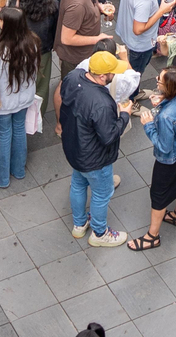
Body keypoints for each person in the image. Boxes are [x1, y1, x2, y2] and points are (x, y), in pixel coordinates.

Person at [61, 48, 134, 248]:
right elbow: (109, 135)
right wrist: (124, 115)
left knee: (77, 183)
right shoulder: (101, 102)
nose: (115, 75)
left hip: (74, 148)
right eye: (112, 72)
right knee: (102, 194)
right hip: (95, 158)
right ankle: (100, 233)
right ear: (102, 76)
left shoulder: (73, 77)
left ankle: (79, 224)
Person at [128, 66, 176, 252]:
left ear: (169, 88)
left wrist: (149, 125)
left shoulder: (167, 117)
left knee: (158, 195)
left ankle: (152, 236)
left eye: (160, 80)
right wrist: (163, 101)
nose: (156, 79)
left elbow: (164, 146)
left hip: (170, 158)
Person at [0, 4, 41, 188]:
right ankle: (18, 169)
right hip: (24, 98)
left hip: (3, 102)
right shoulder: (32, 43)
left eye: (0, 20)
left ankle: (1, 177)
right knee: (19, 129)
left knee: (4, 134)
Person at [116, 0, 174, 73]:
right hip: (140, 45)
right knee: (134, 74)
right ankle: (133, 91)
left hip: (126, 30)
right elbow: (138, 30)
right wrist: (161, 11)